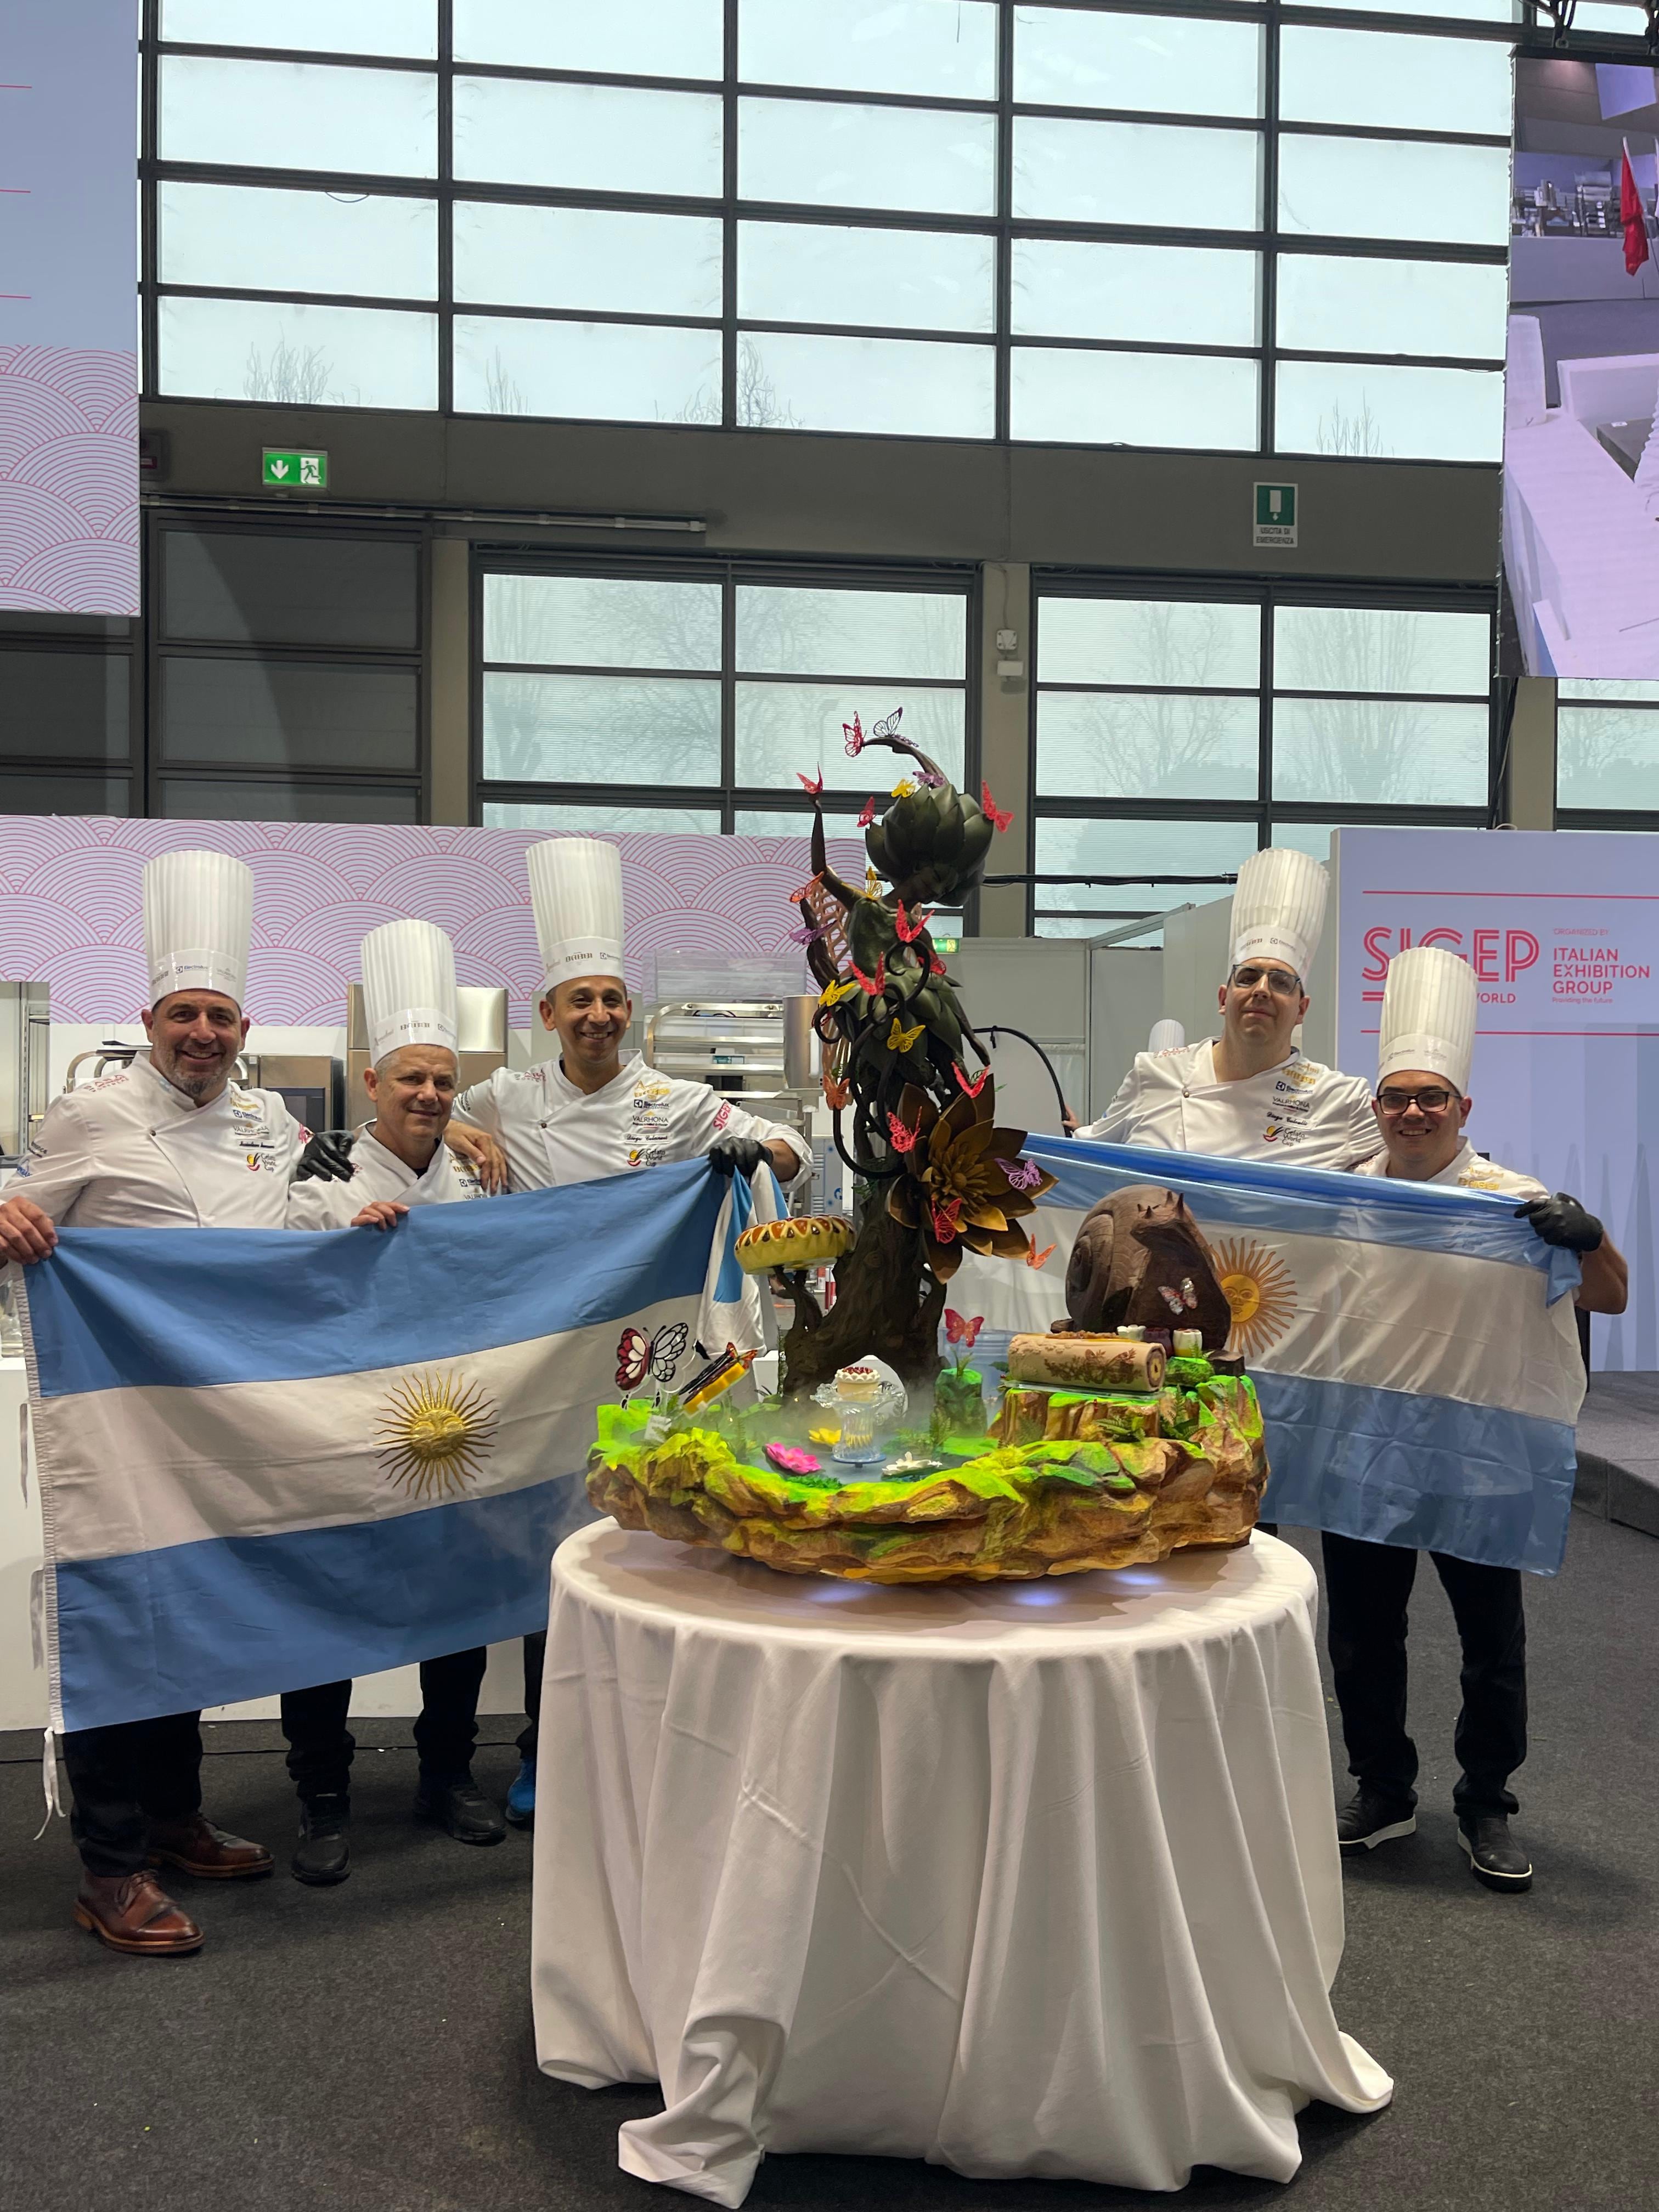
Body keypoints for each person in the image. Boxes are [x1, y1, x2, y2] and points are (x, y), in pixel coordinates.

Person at [448, 837, 811, 1827]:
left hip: (647, 1370)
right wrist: (448, 1131)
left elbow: (795, 1151)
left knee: (643, 1548)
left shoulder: (676, 1101)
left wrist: (762, 1144)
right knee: (542, 1556)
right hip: (538, 1363)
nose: (600, 1016)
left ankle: (649, 1743)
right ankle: (539, 1752)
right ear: (548, 1014)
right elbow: (416, 1116)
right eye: (582, 1000)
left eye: (613, 999)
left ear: (630, 1012)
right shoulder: (503, 1100)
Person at [0, 850, 307, 1956]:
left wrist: (378, 1206)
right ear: (150, 1017)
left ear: (242, 1025)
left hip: (227, 1422)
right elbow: (13, 1211)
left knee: (189, 1622)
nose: (204, 1035)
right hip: (123, 1421)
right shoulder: (87, 1117)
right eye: (186, 1014)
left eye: (221, 1016)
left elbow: (303, 1227)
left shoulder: (270, 1124)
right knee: (123, 1627)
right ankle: (112, 1867)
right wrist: (6, 1222)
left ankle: (175, 1818)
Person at [1331, 945, 1628, 1893]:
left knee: (1488, 1642)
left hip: (1477, 1449)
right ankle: (1381, 1789)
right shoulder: (1339, 1195)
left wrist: (1589, 1235)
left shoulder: (1514, 1205)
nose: (1411, 1110)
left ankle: (1484, 1800)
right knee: (1361, 1635)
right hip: (1367, 1448)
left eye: (1431, 1096)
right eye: (1396, 1096)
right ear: (1376, 1106)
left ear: (1463, 1110)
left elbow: (1609, 1297)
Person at [280, 919, 497, 1884]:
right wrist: (341, 1248)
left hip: (450, 1429)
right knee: (319, 1617)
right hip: (342, 1432)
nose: (428, 1095)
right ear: (371, 1082)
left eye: (443, 1080)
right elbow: (276, 1284)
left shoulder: (482, 1177)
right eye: (410, 1077)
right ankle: (320, 1798)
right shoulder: (319, 1172)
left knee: (455, 1615)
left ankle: (444, 1775)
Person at [1073, 845, 1379, 1167]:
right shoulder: (1154, 1074)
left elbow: (1409, 1177)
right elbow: (1085, 1162)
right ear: (1223, 999)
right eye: (1248, 977)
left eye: (1280, 982)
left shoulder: (1340, 1099)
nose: (1262, 990)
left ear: (1301, 1010)